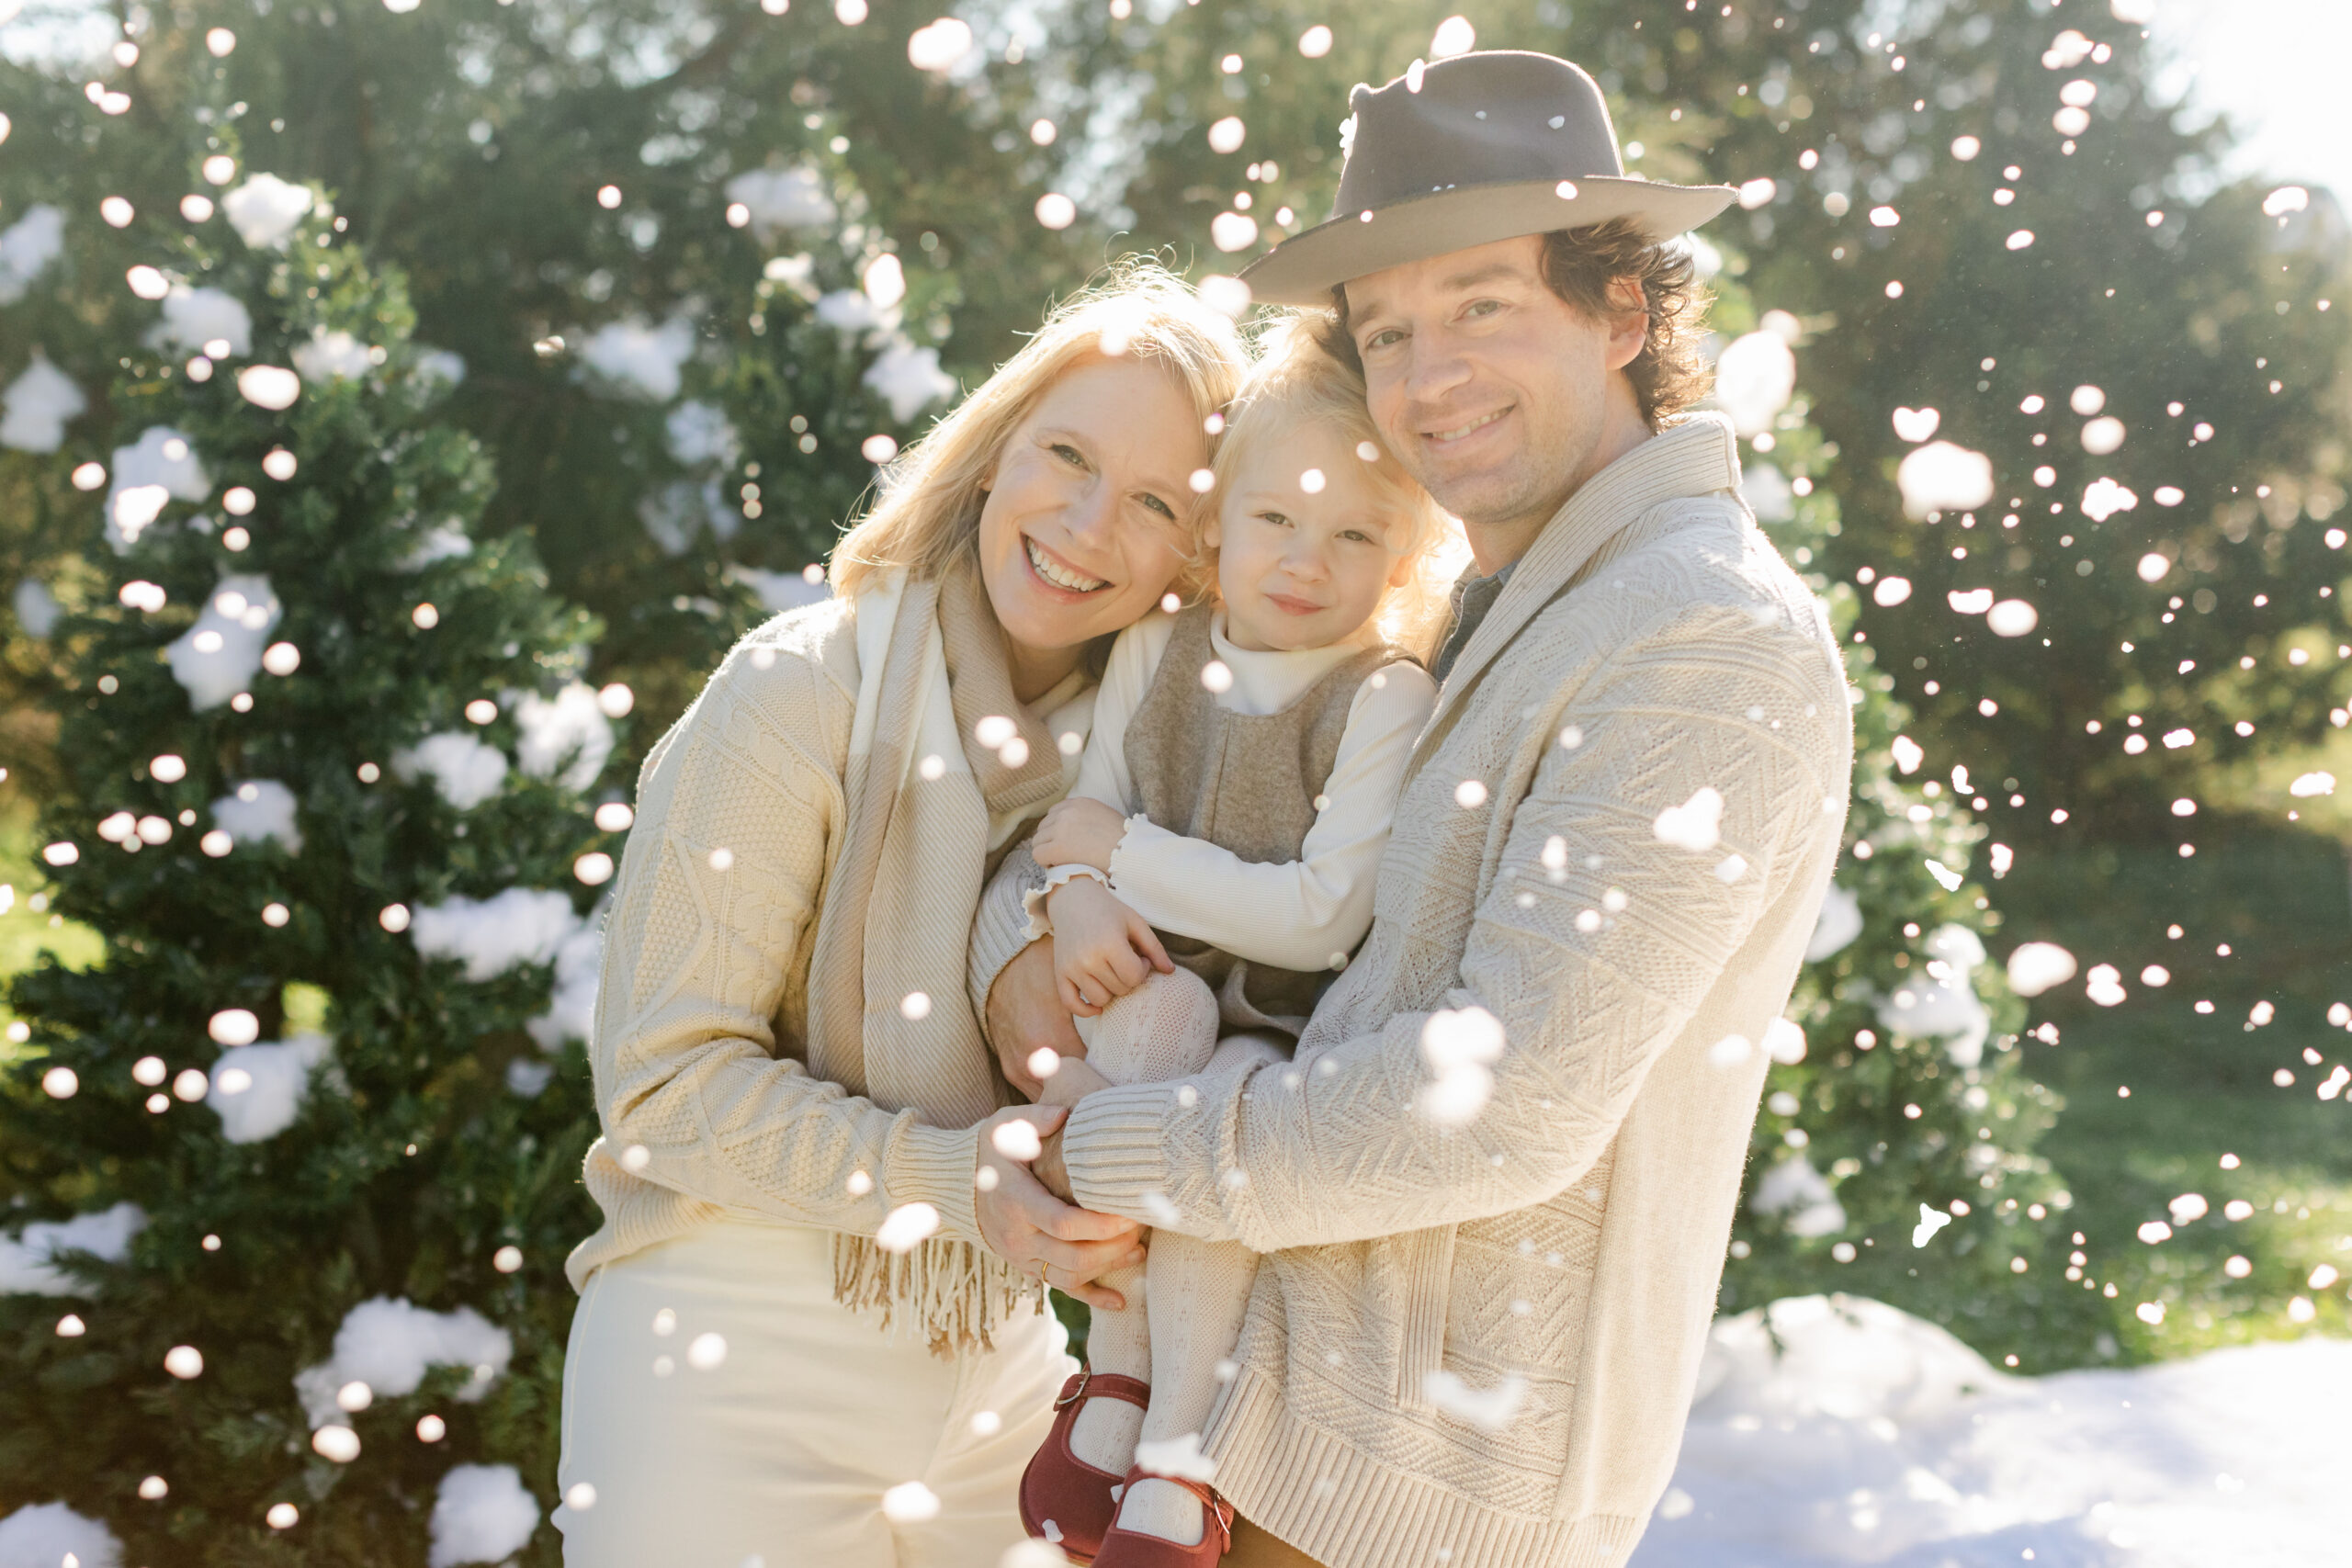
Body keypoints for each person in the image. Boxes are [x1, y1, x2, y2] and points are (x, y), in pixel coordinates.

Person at [975, 51, 1856, 1568]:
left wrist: (1110, 1147)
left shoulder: (1700, 638)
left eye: (1482, 306)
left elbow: (1496, 1110)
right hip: (1247, 1445)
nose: (1427, 376)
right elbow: (1135, 839)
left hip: (1403, 1505)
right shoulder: (1488, 616)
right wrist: (1050, 940)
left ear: (1625, 312)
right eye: (1387, 330)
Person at [554, 262, 1249, 1568]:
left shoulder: (1154, 775)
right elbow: (661, 1088)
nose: (1089, 524)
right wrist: (953, 1178)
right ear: (993, 457)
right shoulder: (797, 698)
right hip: (726, 1344)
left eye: (1155, 501)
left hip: (1009, 1371)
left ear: (1195, 559)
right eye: (1066, 455)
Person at [1006, 321, 1453, 1566]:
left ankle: (1185, 1453)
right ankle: (1119, 1376)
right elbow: (1072, 833)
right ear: (1215, 528)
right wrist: (1079, 895)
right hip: (1152, 997)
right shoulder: (1155, 653)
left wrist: (1116, 857)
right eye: (1274, 522)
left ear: (1404, 554)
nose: (1306, 562)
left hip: (1286, 1031)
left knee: (1210, 1120)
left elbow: (1320, 913)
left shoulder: (1381, 696)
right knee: (1156, 1028)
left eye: (1354, 534)